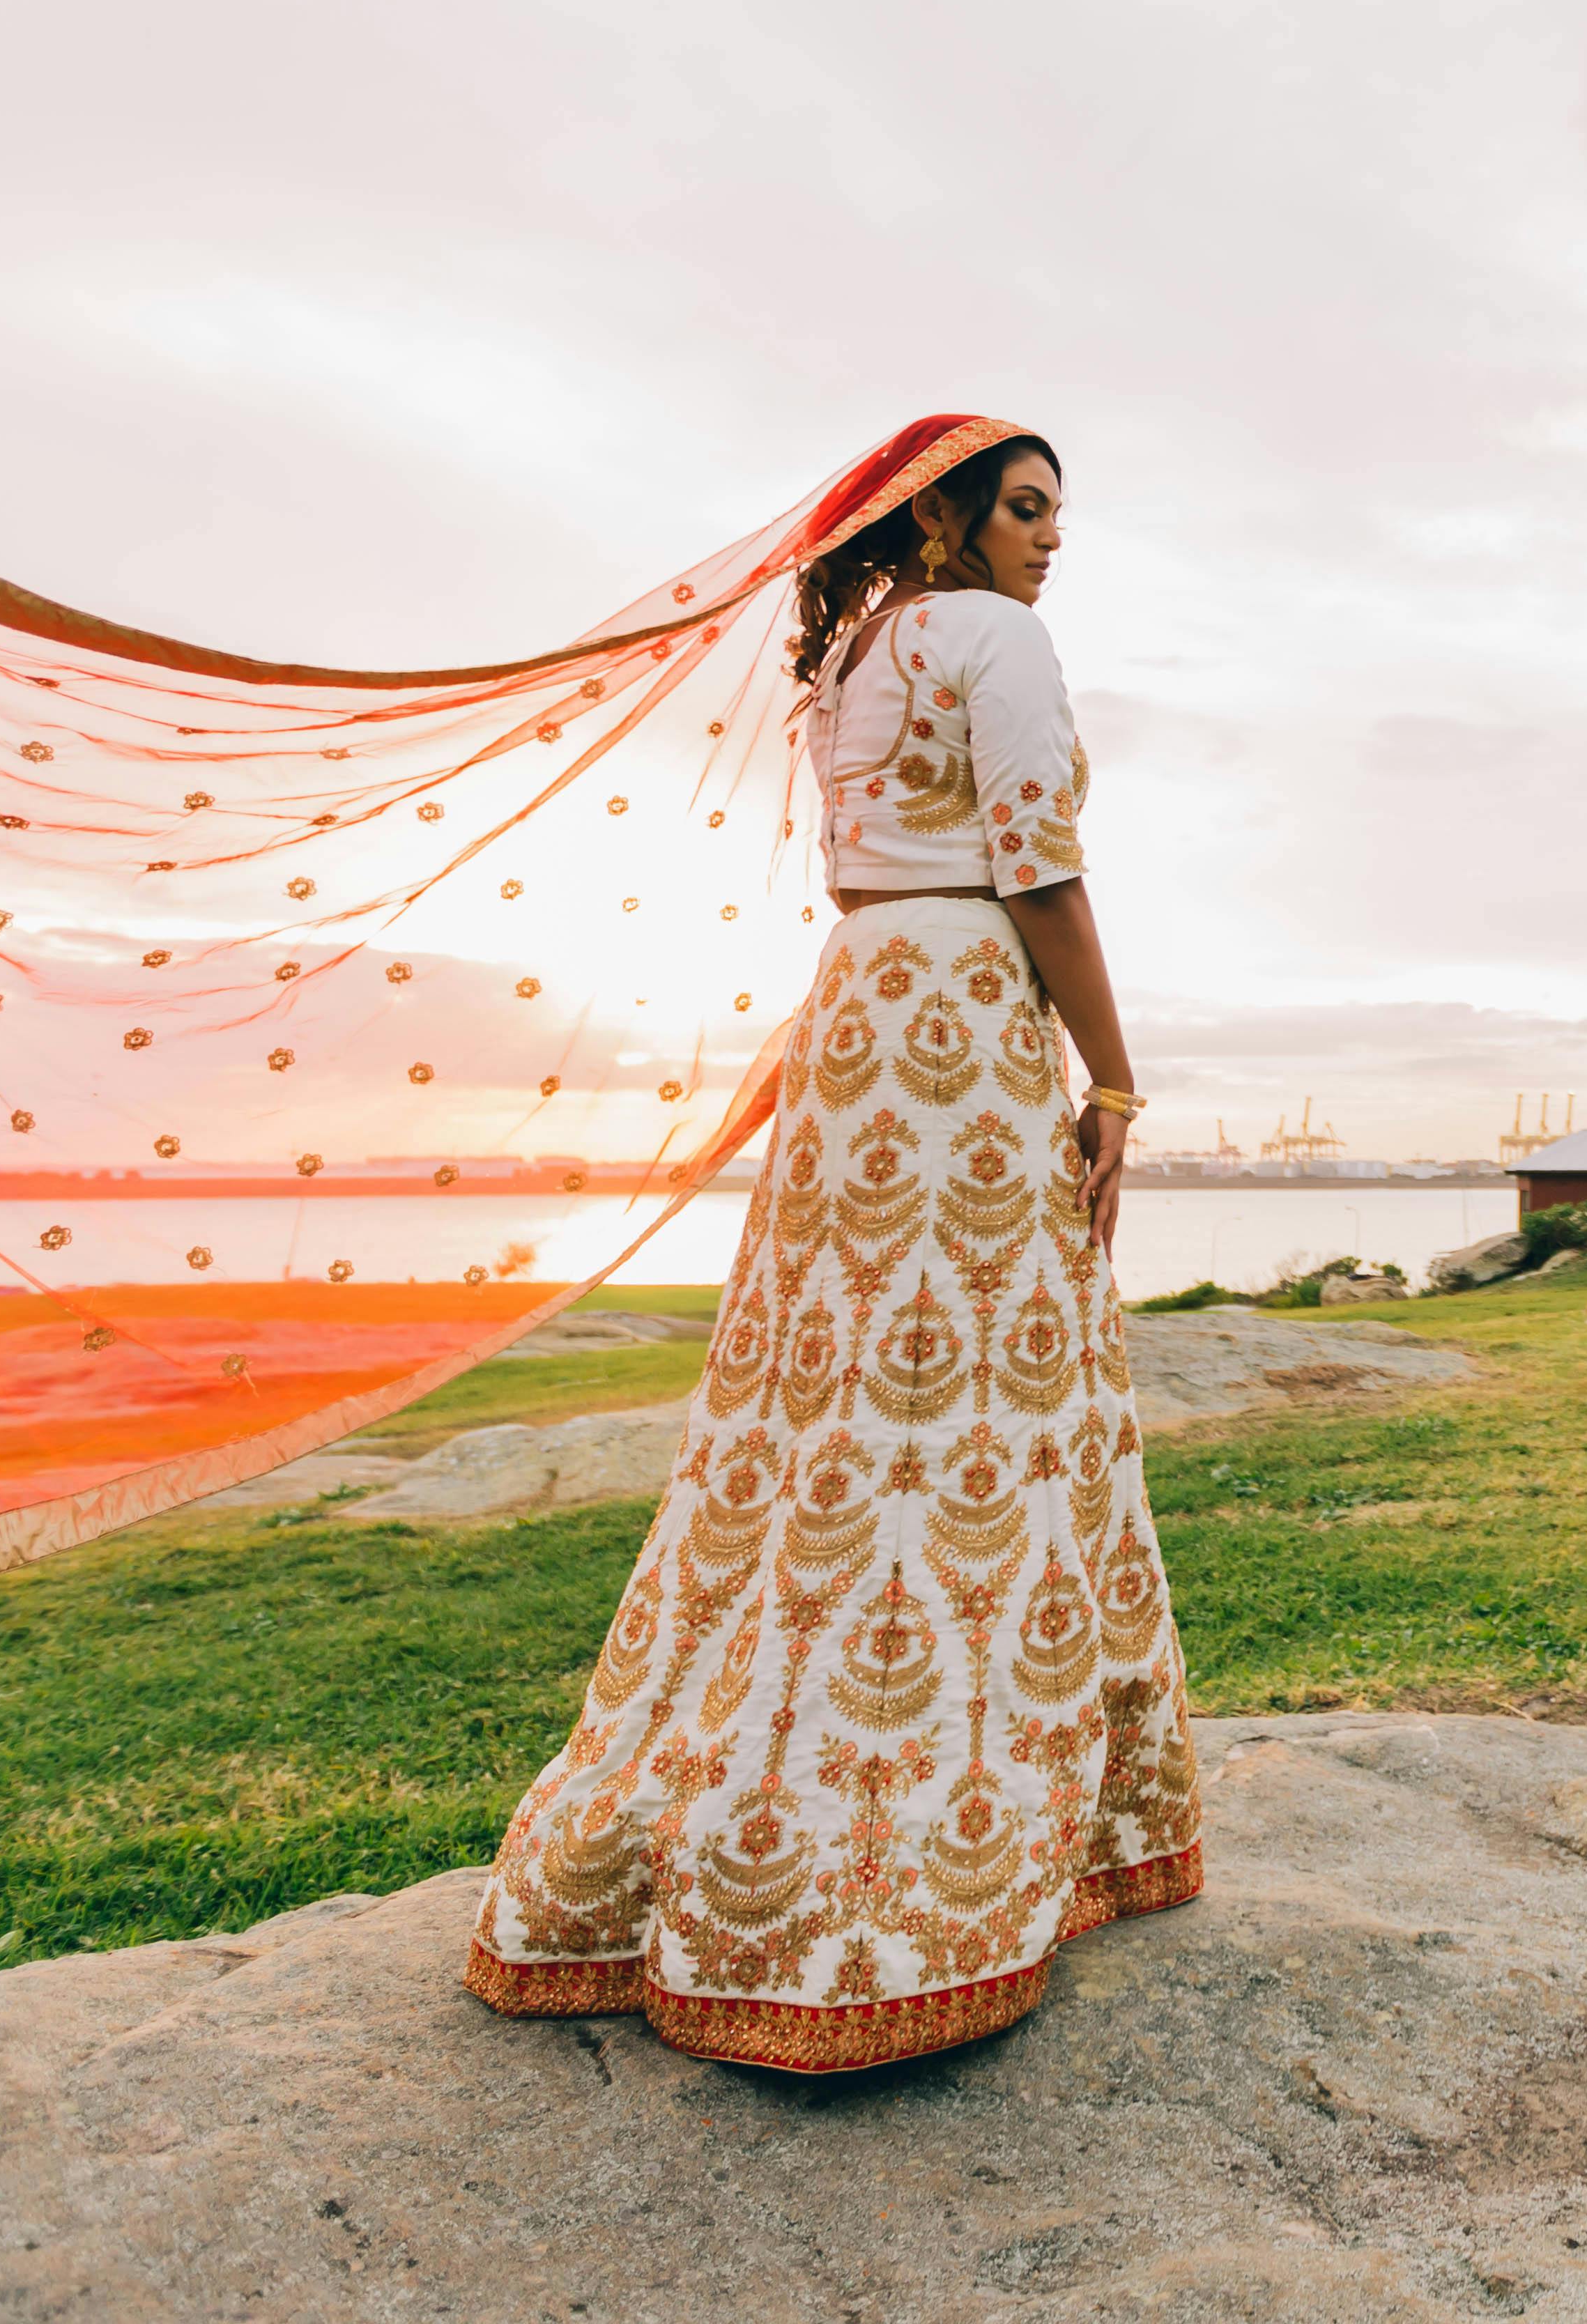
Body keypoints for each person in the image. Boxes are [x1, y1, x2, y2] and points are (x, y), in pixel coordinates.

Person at [461, 432, 1202, 2071]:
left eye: (1063, 515)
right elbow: (1043, 870)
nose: (1051, 541)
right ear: (938, 512)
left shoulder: (850, 658)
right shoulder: (990, 637)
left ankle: (754, 1770)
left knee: (832, 1395)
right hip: (963, 1014)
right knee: (986, 1405)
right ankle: (939, 1831)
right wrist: (1116, 1078)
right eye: (1026, 508)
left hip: (860, 1008)